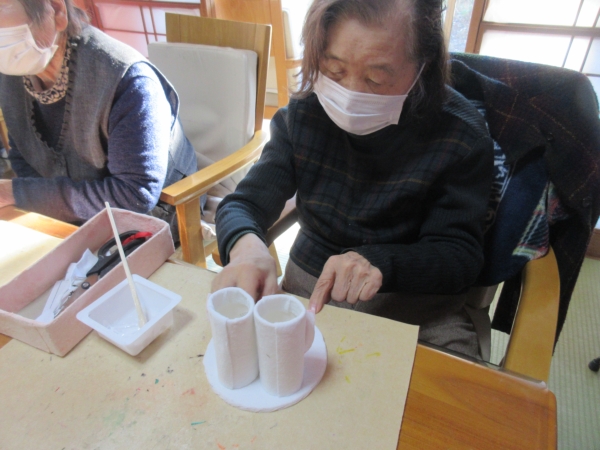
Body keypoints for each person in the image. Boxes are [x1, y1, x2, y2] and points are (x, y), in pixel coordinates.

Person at [212, 0, 494, 358]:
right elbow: (242, 205)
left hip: (416, 307)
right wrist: (247, 249)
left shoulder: (461, 136)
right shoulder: (304, 113)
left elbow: (460, 257)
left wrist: (380, 262)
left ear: (423, 67)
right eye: (334, 70)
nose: (350, 94)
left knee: (456, 387)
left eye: (376, 79)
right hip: (307, 291)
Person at [0, 0, 197, 238]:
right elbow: (23, 155)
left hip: (151, 218)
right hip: (70, 215)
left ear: (57, 10)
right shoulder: (12, 71)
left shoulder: (128, 80)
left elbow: (134, 196)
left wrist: (20, 193)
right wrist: (42, 206)